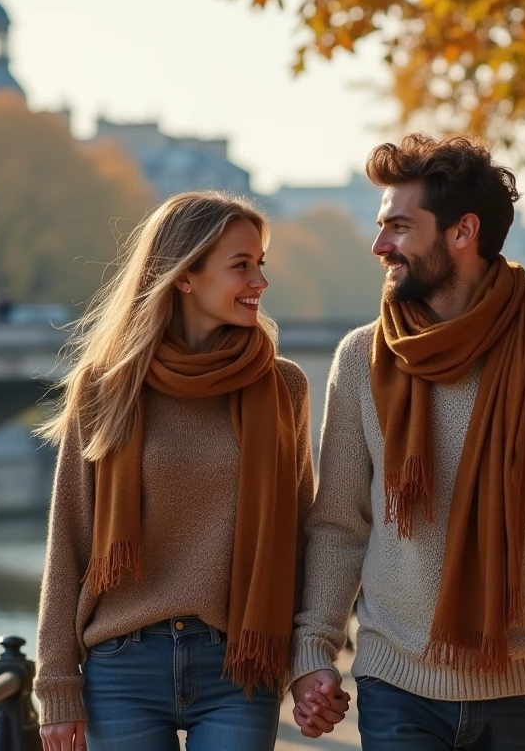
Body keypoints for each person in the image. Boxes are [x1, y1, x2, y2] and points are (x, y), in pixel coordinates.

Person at [289, 134, 525, 751]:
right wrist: (313, 651)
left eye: (399, 226)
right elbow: (340, 522)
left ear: (462, 232)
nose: (379, 246)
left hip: (520, 691)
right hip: (395, 685)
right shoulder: (360, 361)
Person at [32, 192, 318, 751]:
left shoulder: (285, 389)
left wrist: (310, 658)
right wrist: (57, 687)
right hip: (122, 666)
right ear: (185, 276)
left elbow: (301, 539)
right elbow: (68, 542)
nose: (260, 280)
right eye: (242, 265)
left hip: (239, 665)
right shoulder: (107, 386)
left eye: (261, 264)